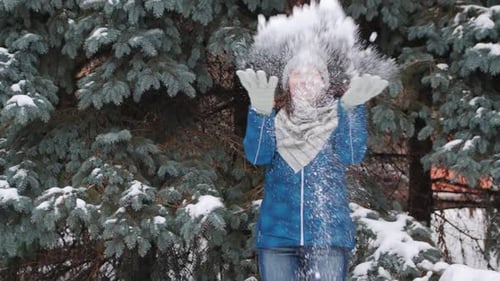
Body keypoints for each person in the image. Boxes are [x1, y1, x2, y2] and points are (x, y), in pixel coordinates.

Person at [236, 50, 388, 280]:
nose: (305, 79)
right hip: (277, 240)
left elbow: (353, 154)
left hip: (328, 240)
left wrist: (351, 110)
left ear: (323, 83)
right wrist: (260, 111)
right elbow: (258, 155)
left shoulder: (337, 121)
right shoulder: (274, 121)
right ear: (288, 83)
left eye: (313, 74)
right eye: (297, 73)